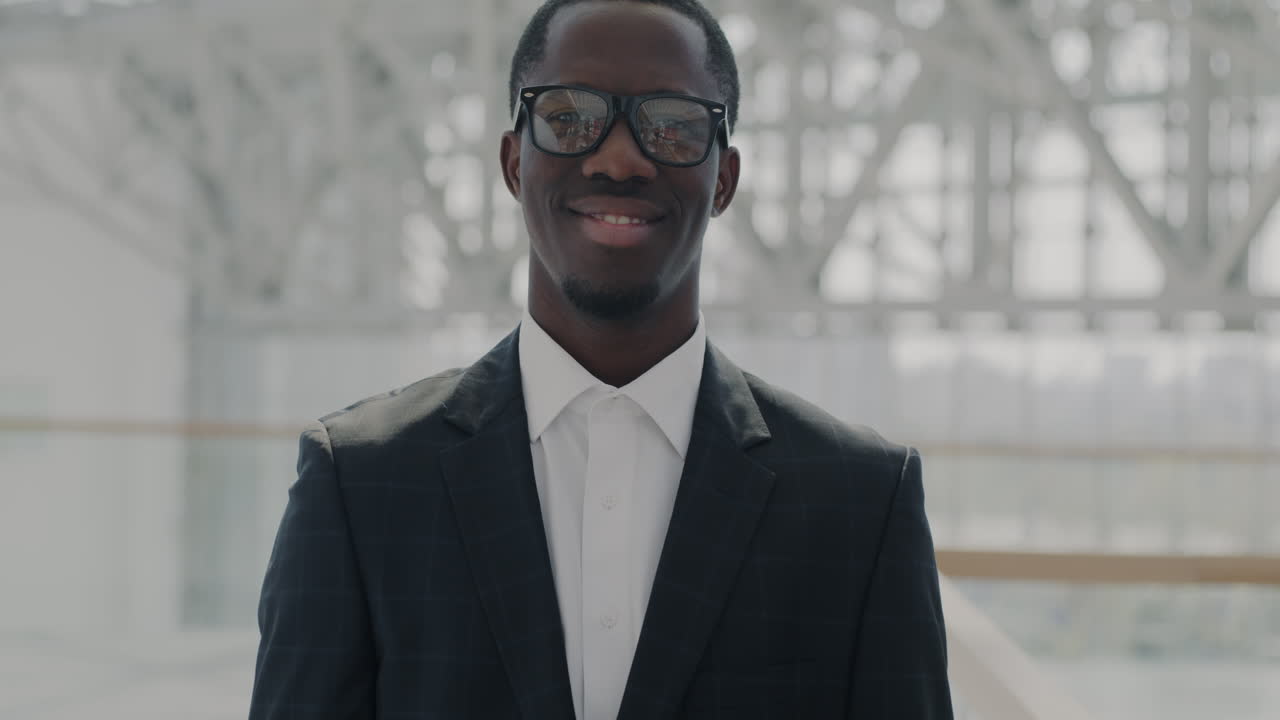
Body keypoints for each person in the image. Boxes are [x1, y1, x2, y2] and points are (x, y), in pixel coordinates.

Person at [248, 0, 952, 718]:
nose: (619, 158)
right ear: (514, 161)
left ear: (724, 180)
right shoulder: (361, 483)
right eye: (569, 117)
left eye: (673, 124)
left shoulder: (861, 504)